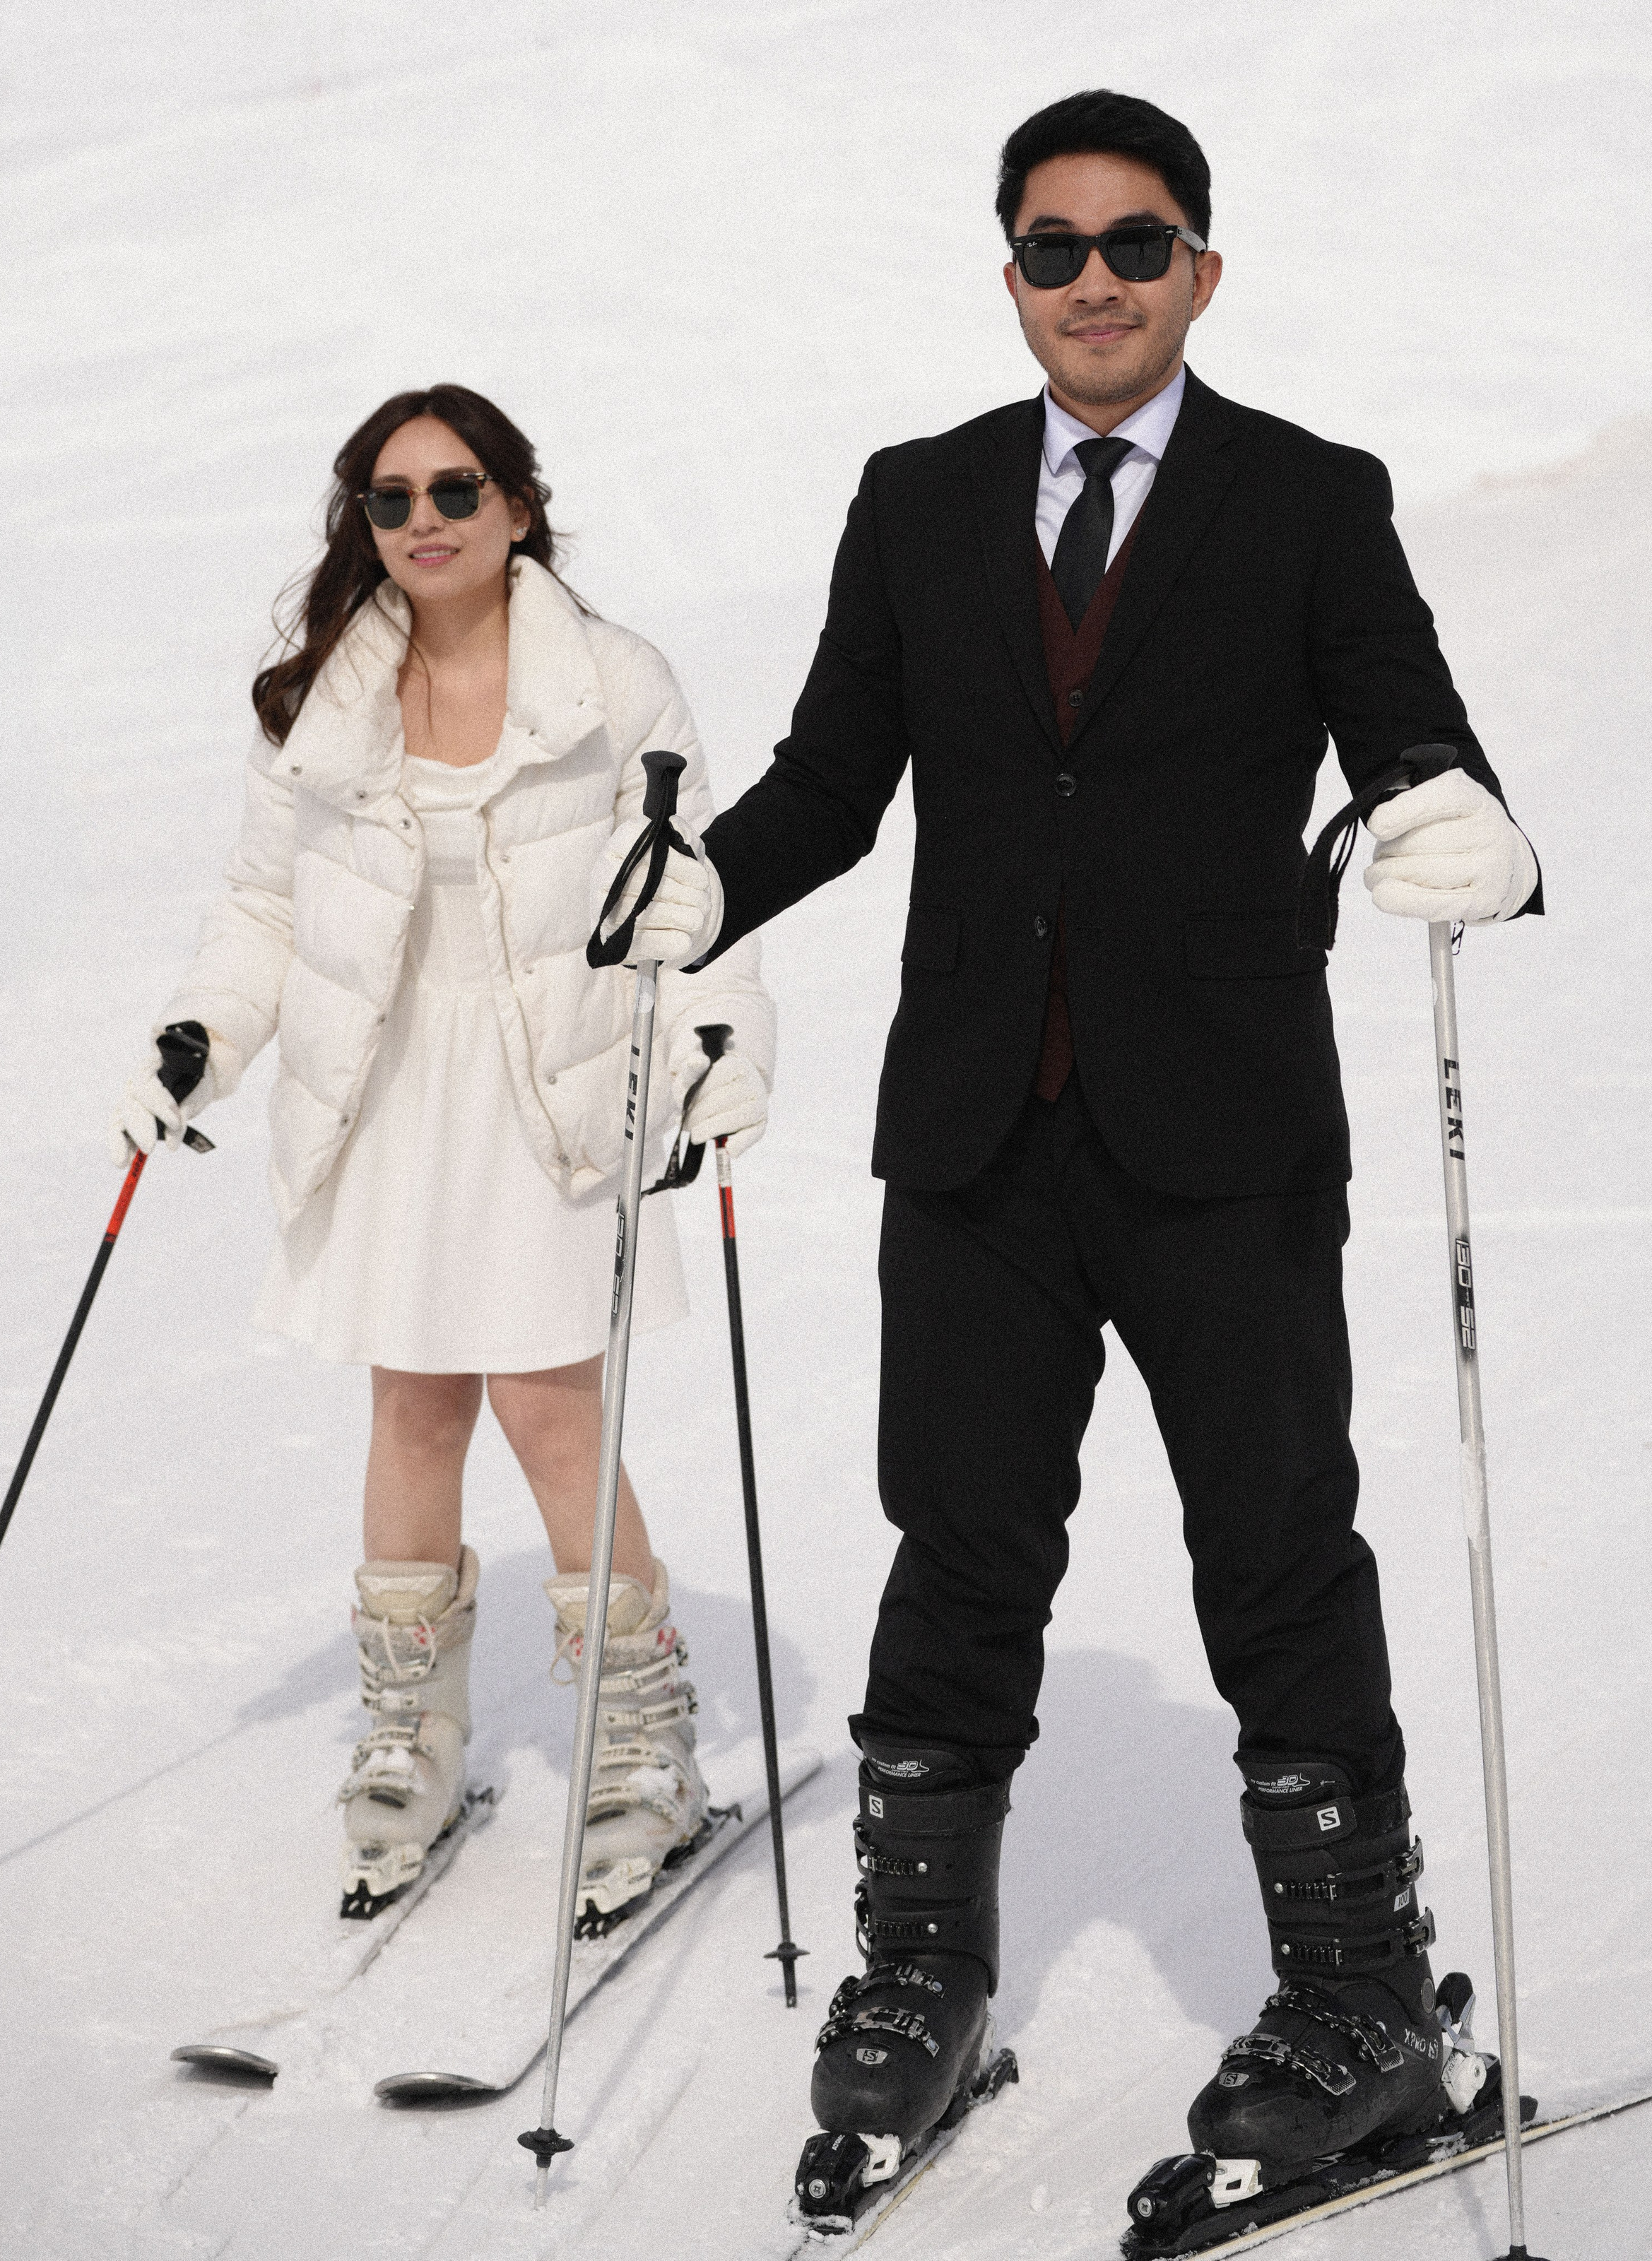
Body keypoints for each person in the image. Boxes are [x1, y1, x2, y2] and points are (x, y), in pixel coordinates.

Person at [609, 90, 1540, 2204]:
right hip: (974, 1130)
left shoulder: (1309, 496)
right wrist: (711, 888)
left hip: (1220, 1129)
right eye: (1055, 248)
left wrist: (1449, 808)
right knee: (958, 1547)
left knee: (1278, 1549)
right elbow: (838, 775)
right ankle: (920, 1975)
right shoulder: (920, 497)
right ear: (1008, 270)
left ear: (1204, 267)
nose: (1096, 283)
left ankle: (1364, 1999)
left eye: (1138, 247)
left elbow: (1406, 719)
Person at [112, 384, 775, 1923]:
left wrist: (718, 1049)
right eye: (391, 499)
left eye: (454, 490)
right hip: (385, 1082)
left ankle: (638, 1746)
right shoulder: (332, 698)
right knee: (410, 1410)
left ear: (518, 508)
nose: (423, 522)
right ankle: (411, 1732)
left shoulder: (613, 683)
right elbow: (264, 908)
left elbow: (700, 892)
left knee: (550, 1411)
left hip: (547, 1081)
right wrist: (201, 1034)